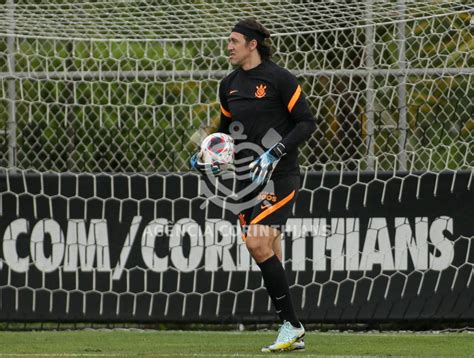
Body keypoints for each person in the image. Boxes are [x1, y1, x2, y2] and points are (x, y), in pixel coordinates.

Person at [191, 18, 316, 353]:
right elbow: (225, 134)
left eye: (234, 40)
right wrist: (206, 154)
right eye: (228, 40)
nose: (228, 46)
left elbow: (307, 122)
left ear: (252, 44)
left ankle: (292, 325)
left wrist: (276, 151)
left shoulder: (280, 79)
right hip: (247, 181)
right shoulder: (228, 85)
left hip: (279, 175)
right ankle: (292, 331)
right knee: (267, 249)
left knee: (256, 244)